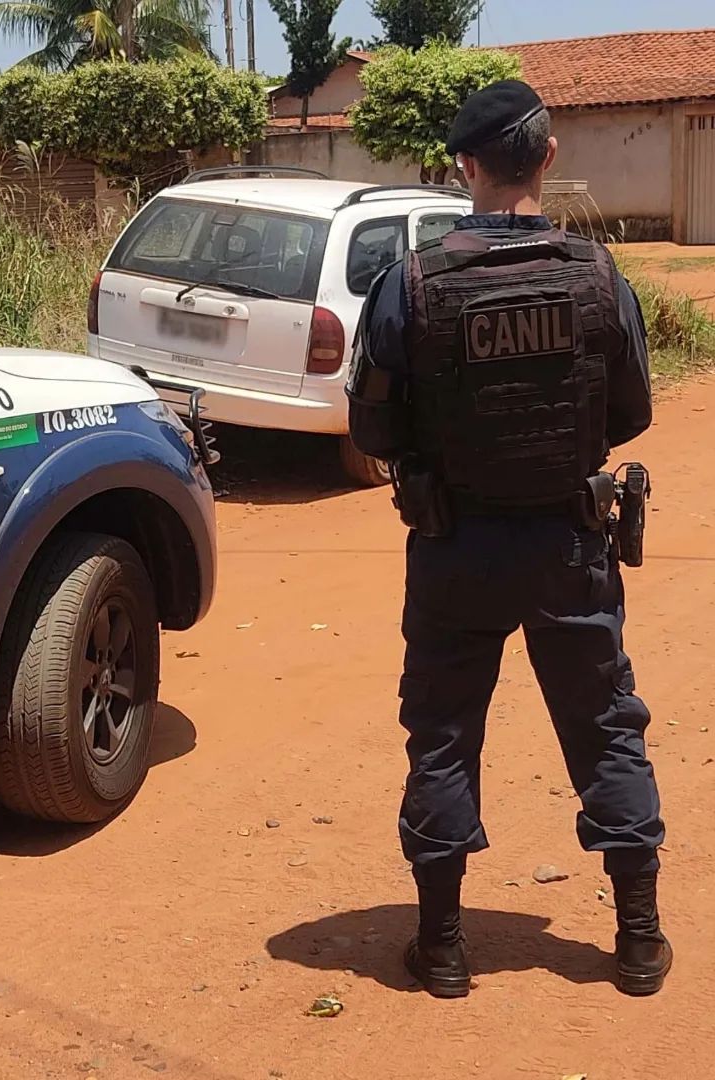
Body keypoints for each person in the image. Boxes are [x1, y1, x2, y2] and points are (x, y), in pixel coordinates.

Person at [346, 80, 672, 999]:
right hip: (568, 544)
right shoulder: (597, 275)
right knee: (607, 729)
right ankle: (640, 941)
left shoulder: (409, 284)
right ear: (550, 157)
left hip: (454, 547)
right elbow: (633, 409)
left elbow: (370, 431)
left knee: (443, 735)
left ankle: (443, 950)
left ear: (466, 166)